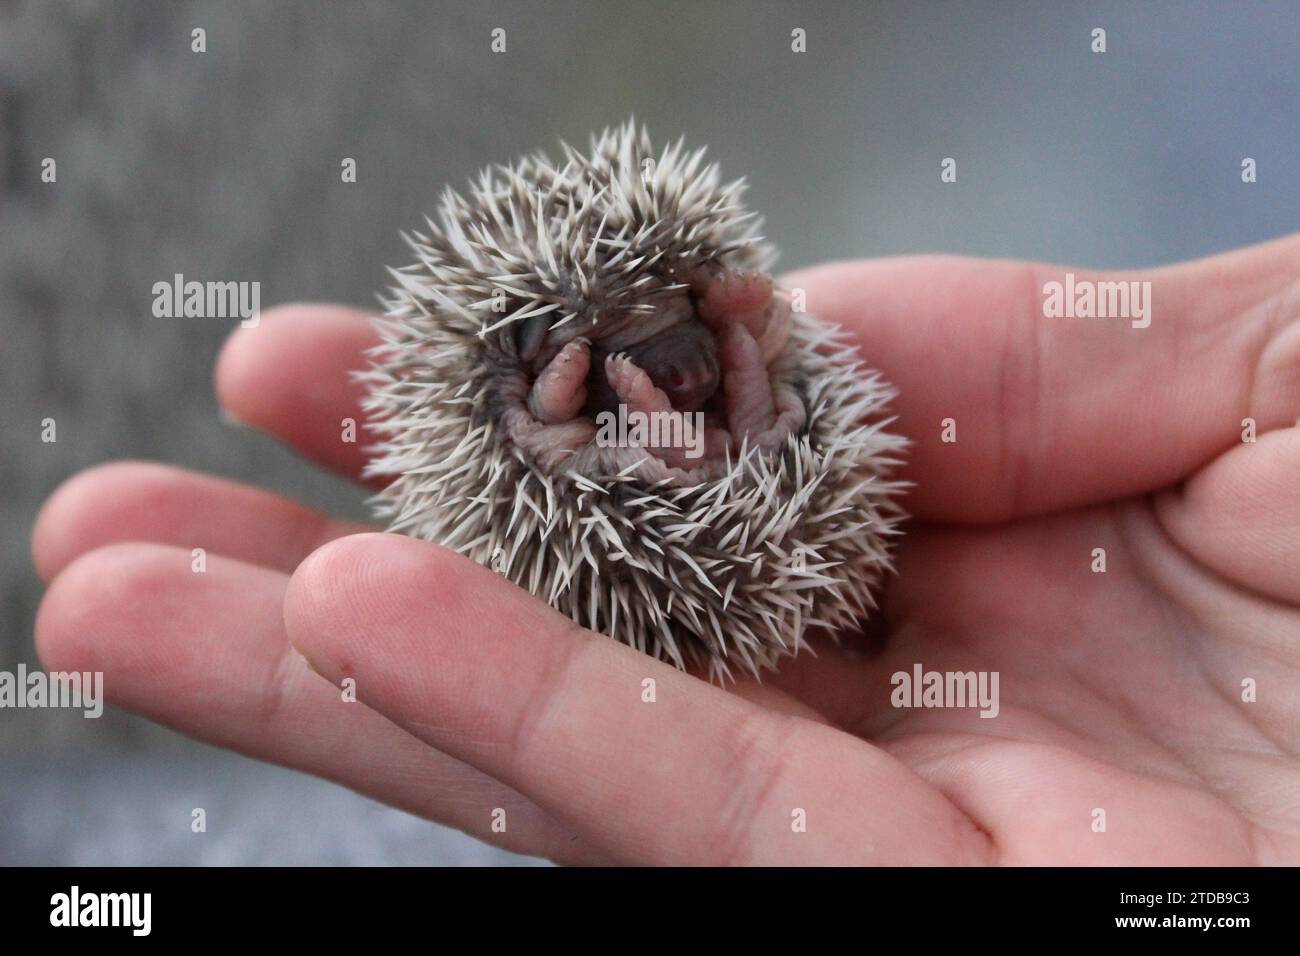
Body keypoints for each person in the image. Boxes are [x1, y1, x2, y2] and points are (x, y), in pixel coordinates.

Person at [31, 235, 1300, 864]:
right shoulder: (524, 423)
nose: (680, 364)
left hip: (722, 472)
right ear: (533, 372)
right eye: (622, 348)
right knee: (658, 447)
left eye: (688, 335)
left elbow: (758, 369)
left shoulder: (721, 360)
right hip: (595, 486)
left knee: (745, 429)